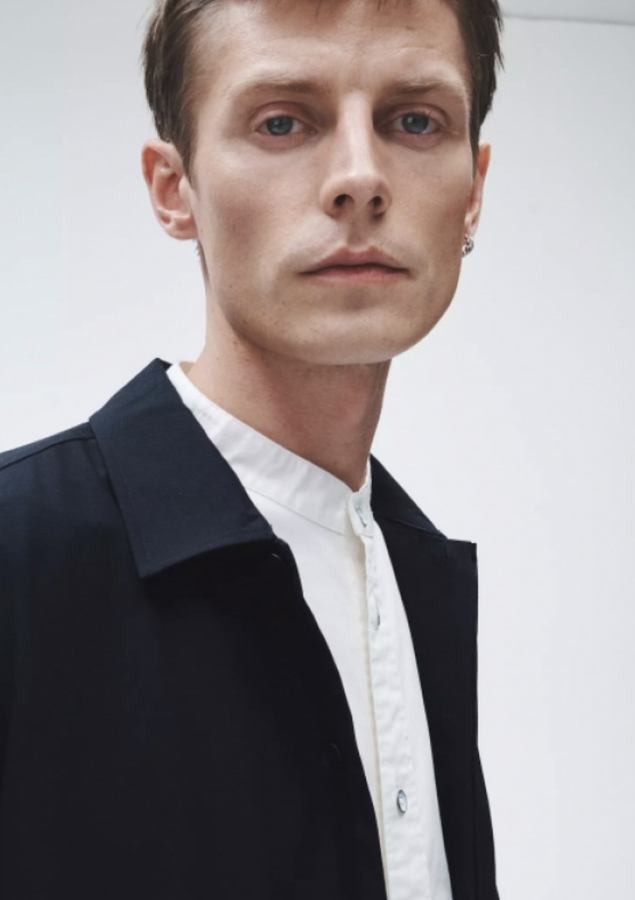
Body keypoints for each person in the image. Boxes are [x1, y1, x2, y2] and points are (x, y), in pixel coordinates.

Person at [0, 0, 503, 897]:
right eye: (281, 122)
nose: (359, 178)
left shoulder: (409, 571)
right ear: (173, 189)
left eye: (414, 122)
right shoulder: (18, 554)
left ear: (472, 189)